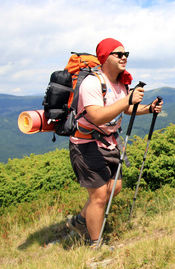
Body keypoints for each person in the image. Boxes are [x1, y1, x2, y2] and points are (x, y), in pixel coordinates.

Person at [66, 38, 162, 247]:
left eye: (125, 53)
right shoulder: (92, 83)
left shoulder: (121, 83)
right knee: (100, 196)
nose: (124, 57)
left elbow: (124, 109)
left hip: (109, 143)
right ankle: (95, 245)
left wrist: (148, 108)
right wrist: (128, 100)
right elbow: (97, 116)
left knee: (114, 188)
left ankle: (80, 221)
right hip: (85, 144)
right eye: (118, 54)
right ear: (104, 57)